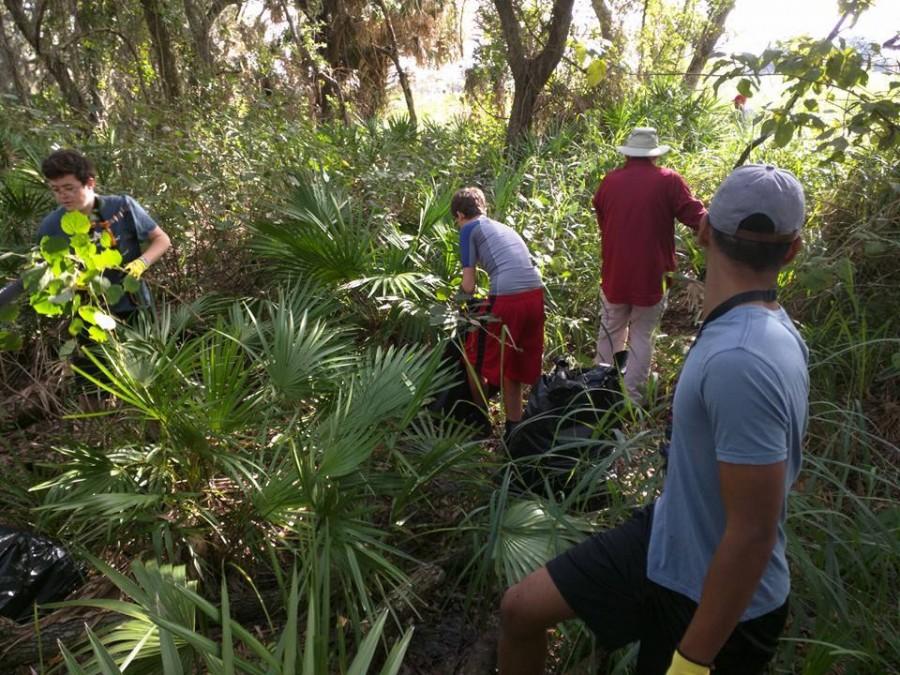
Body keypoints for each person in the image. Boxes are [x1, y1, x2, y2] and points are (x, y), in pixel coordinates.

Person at [498, 164, 809, 674]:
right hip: (669, 537)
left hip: (719, 597)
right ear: (792, 250)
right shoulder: (755, 327)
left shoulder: (743, 358)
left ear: (705, 231)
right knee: (522, 608)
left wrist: (692, 662)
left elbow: (753, 532)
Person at [592, 127, 706, 402]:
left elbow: (603, 219)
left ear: (629, 153)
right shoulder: (668, 181)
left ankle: (599, 395)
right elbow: (696, 217)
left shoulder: (609, 181)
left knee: (610, 331)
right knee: (642, 335)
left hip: (615, 272)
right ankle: (631, 400)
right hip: (652, 274)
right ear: (655, 155)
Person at [453, 186, 544, 437]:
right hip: (535, 296)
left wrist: (454, 306)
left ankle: (481, 422)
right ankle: (513, 429)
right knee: (512, 364)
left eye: (456, 221)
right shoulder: (502, 227)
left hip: (509, 298)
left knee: (473, 360)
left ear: (460, 215)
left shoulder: (469, 229)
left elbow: (468, 285)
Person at [37, 149, 171, 318]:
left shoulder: (122, 206)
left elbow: (162, 239)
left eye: (69, 188)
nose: (63, 196)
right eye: (56, 190)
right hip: (87, 313)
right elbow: (45, 270)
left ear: (90, 183)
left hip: (134, 305)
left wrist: (142, 262)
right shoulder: (51, 225)